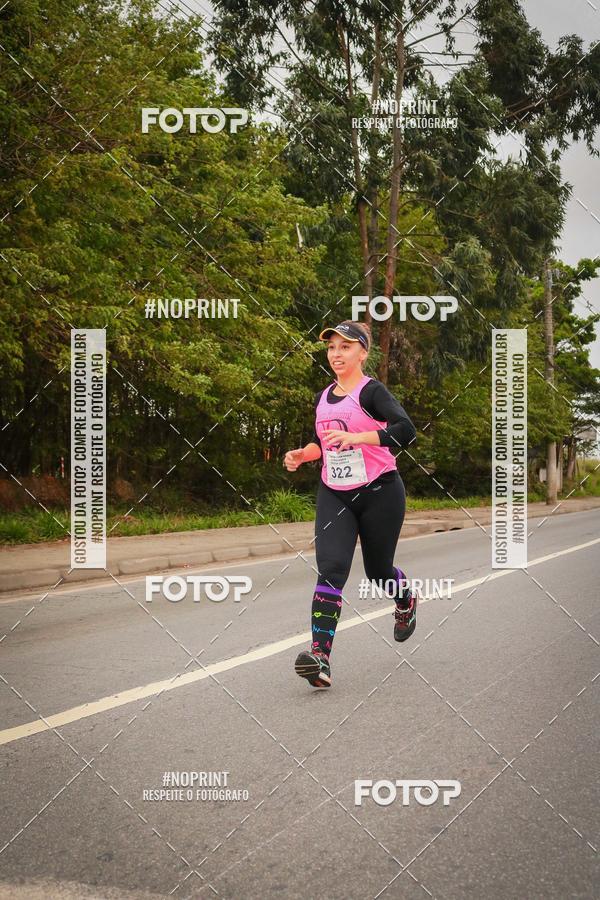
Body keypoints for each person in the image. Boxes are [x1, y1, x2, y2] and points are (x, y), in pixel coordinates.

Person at [284, 320, 418, 689]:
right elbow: (321, 442)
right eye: (331, 347)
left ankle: (405, 598)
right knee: (331, 568)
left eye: (345, 347)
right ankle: (320, 658)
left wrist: (359, 437)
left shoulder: (371, 392)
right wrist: (304, 455)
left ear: (362, 353)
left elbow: (406, 431)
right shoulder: (323, 396)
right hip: (336, 493)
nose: (336, 354)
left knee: (378, 572)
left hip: (380, 492)